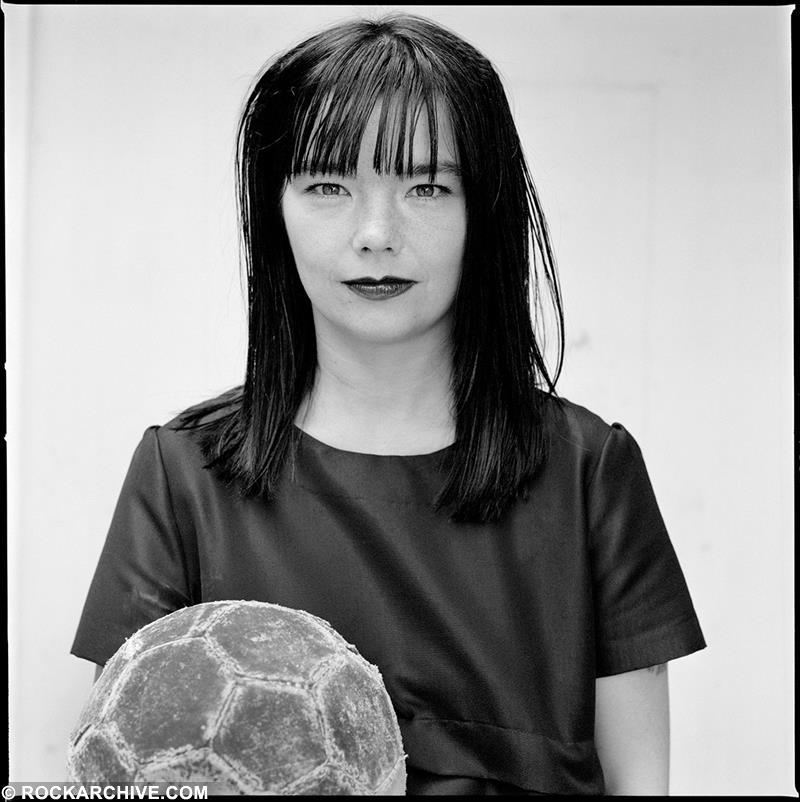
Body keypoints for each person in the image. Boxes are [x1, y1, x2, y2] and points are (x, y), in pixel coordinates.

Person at [71, 13, 706, 796]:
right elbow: (122, 768)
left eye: (427, 186)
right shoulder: (182, 474)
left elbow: (642, 784)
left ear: (486, 212)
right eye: (329, 186)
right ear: (274, 210)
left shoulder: (590, 471)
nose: (376, 232)